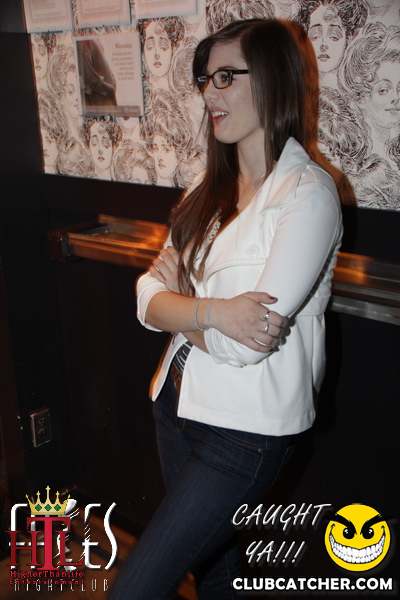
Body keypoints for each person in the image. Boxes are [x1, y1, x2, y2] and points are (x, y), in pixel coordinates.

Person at [109, 18, 342, 600]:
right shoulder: (203, 188)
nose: (209, 93)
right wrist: (213, 313)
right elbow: (145, 297)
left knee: (136, 588)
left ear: (271, 79)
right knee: (216, 573)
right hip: (174, 401)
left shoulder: (308, 195)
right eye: (204, 79)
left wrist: (181, 307)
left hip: (243, 433)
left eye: (225, 77)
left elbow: (247, 343)